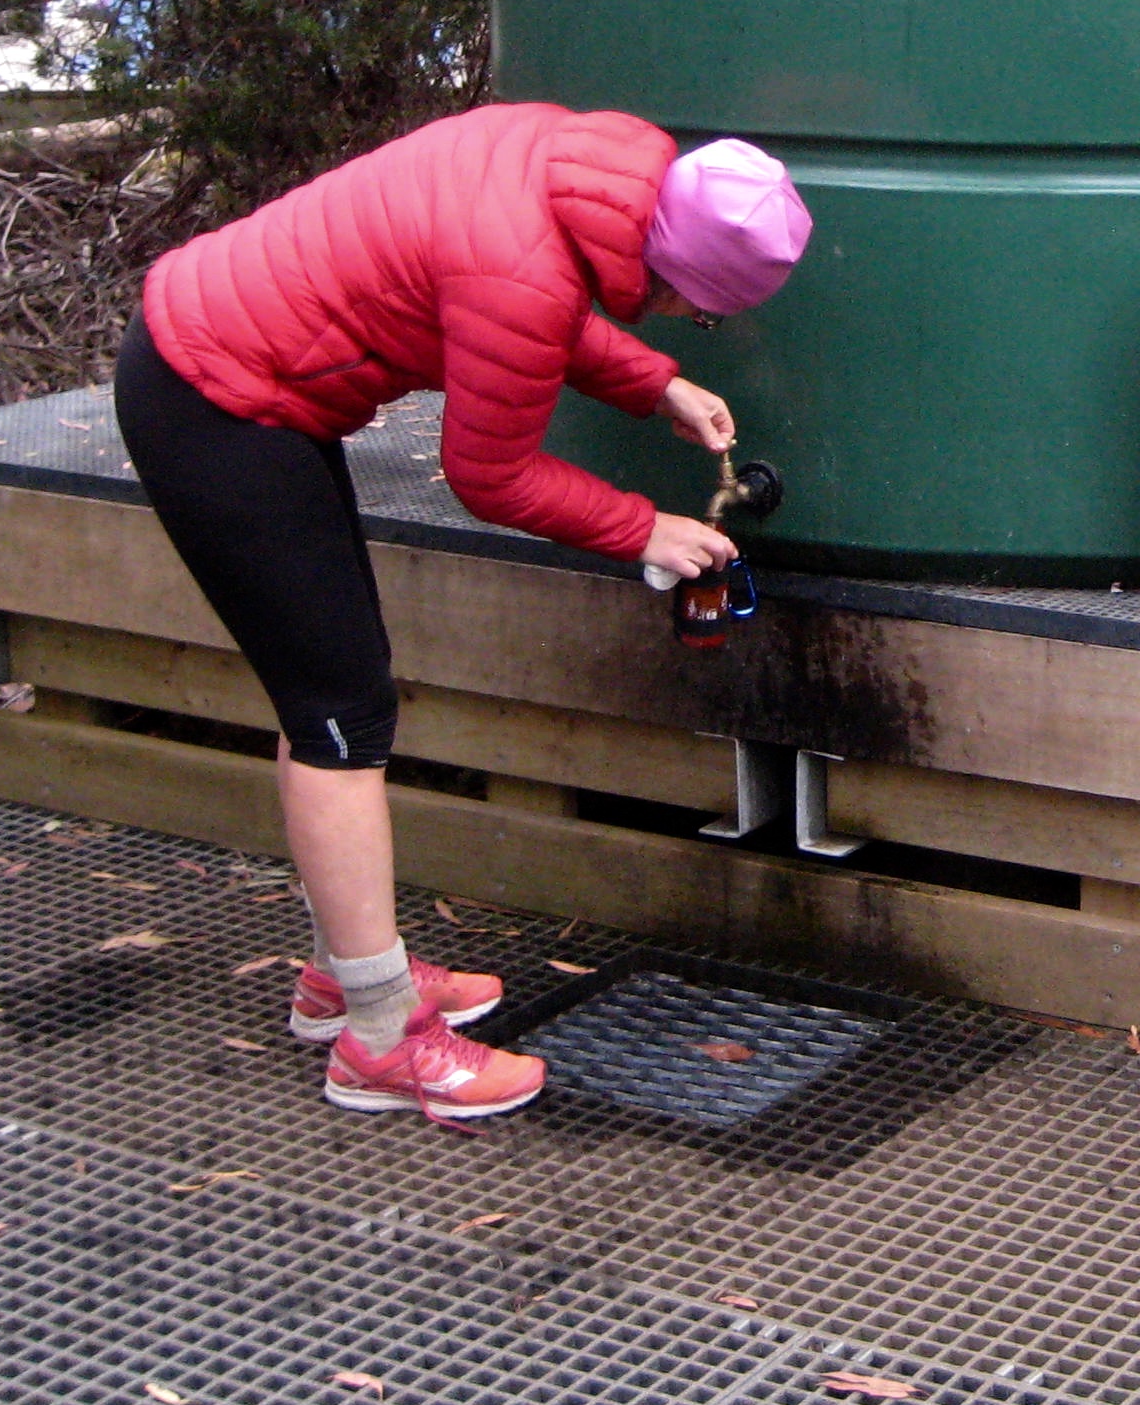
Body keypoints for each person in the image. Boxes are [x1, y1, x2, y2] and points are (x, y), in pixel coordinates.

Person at [112, 104, 811, 1121]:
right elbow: (491, 472)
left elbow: (521, 300)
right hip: (215, 400)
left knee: (332, 700)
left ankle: (345, 973)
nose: (676, 319)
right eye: (693, 313)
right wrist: (644, 529)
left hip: (235, 367)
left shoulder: (564, 160)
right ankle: (380, 1038)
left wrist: (653, 383)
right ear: (672, 273)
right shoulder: (522, 265)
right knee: (342, 720)